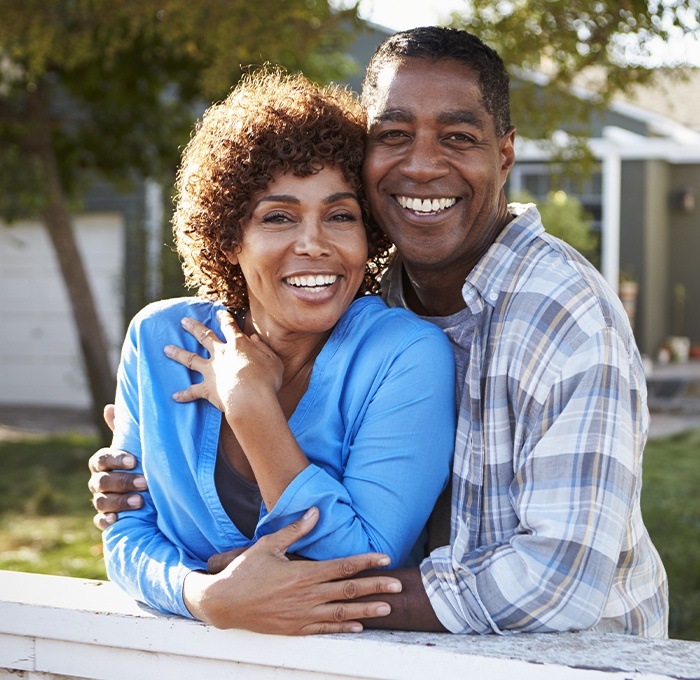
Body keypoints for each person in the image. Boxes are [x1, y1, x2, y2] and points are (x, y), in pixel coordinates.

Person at [90, 26, 668, 637]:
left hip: (580, 661)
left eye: (458, 136)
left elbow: (560, 583)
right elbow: (131, 527)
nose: (420, 165)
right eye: (392, 135)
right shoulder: (378, 290)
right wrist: (204, 593)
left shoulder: (565, 318)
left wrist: (288, 594)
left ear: (504, 155)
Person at [99, 67, 457, 631]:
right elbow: (125, 531)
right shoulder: (159, 340)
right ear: (229, 237)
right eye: (278, 217)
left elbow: (364, 563)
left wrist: (248, 403)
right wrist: (203, 594)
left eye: (340, 216)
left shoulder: (404, 355)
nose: (314, 244)